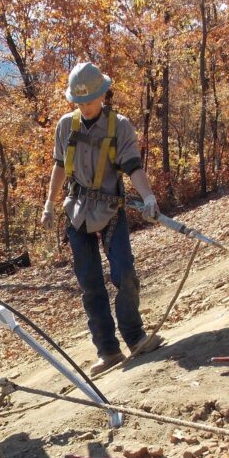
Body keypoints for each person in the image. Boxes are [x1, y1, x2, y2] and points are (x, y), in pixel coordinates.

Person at [42, 62, 164, 375]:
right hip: (76, 212)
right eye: (79, 101)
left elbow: (133, 167)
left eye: (90, 99)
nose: (85, 105)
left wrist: (148, 197)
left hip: (110, 210)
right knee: (90, 284)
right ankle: (108, 351)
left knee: (124, 273)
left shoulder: (119, 126)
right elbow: (58, 166)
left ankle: (135, 337)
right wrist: (49, 204)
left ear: (103, 95)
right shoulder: (65, 126)